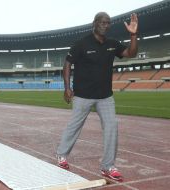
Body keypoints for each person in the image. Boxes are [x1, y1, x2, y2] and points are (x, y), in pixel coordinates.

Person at [56, 12, 138, 181]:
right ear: (94, 23)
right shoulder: (81, 44)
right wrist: (67, 88)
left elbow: (132, 53)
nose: (105, 25)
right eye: (102, 22)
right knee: (74, 126)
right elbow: (67, 64)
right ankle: (62, 155)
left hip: (105, 96)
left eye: (108, 23)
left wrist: (133, 35)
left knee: (111, 127)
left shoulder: (112, 44)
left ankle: (108, 166)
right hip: (83, 95)